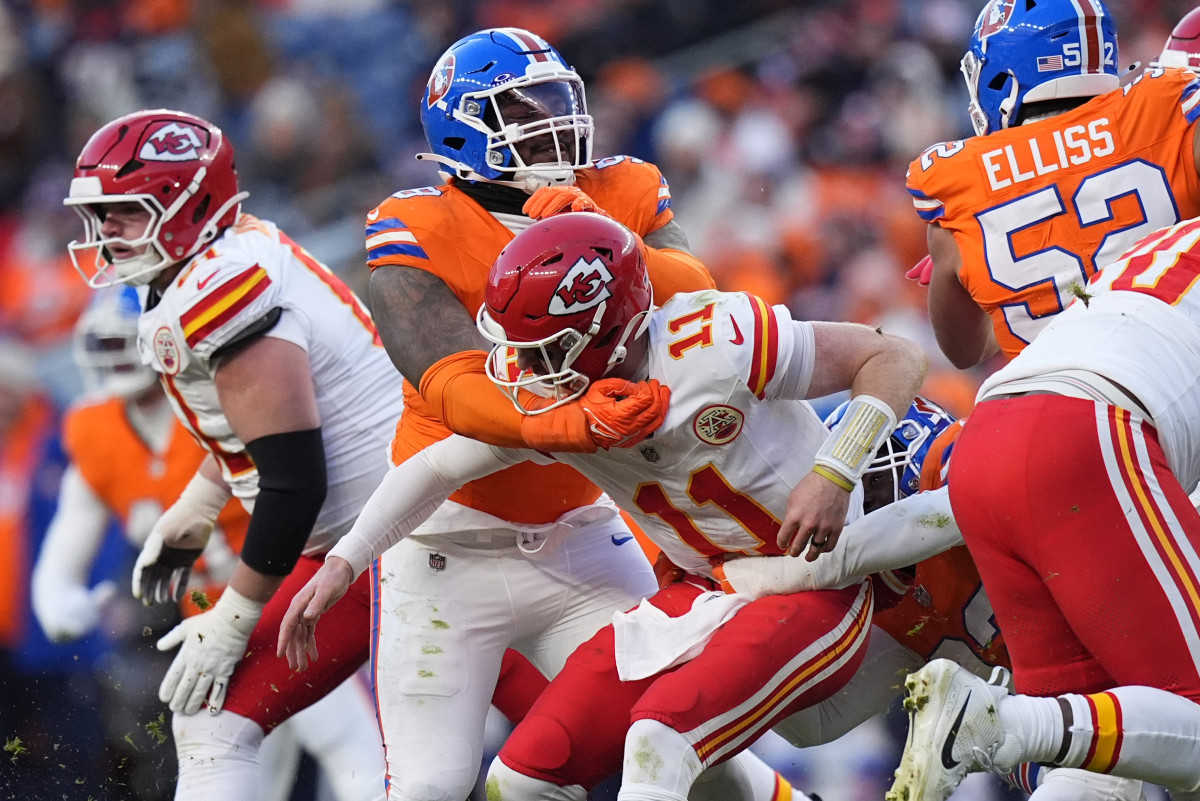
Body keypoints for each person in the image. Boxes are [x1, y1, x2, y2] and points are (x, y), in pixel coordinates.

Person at [279, 211, 929, 801]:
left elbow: (892, 354)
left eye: (538, 348)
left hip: (812, 583)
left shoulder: (719, 340)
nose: (518, 367)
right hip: (702, 593)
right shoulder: (556, 401)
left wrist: (834, 470)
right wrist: (344, 561)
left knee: (659, 742)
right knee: (523, 777)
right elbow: (439, 464)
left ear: (603, 331)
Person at [358, 26, 790, 801]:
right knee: (428, 786)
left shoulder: (620, 186)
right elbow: (450, 384)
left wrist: (612, 234)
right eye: (520, 108)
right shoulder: (418, 224)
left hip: (583, 539)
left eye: (557, 101)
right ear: (460, 128)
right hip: (444, 550)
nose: (551, 122)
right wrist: (546, 426)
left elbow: (700, 300)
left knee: (707, 753)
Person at [61, 107, 405, 801]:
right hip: (374, 538)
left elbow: (294, 481)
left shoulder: (221, 291)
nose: (105, 233)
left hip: (396, 544)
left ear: (191, 203)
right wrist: (199, 503)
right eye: (99, 214)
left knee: (427, 765)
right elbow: (273, 428)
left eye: (124, 211)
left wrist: (235, 616)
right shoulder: (223, 258)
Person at [882, 214, 1200, 801]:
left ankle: (1011, 728)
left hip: (989, 431)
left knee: (1094, 764)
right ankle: (999, 725)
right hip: (1090, 429)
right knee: (1189, 715)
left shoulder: (1157, 245)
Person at [29, 284, 385, 801]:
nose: (118, 356)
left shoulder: (212, 396)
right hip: (203, 626)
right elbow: (67, 541)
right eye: (106, 344)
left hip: (292, 600)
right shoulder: (93, 428)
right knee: (227, 764)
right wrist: (58, 597)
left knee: (350, 745)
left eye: (125, 342)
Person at [720, 399, 1147, 801]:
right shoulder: (882, 585)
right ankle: (1002, 745)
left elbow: (934, 517)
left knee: (1116, 774)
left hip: (1113, 646)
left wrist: (776, 576)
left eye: (866, 480)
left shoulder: (955, 462)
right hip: (1023, 676)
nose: (851, 502)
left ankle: (1005, 742)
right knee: (807, 719)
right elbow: (813, 721)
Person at [906, 0, 1200, 369]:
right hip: (1172, 375)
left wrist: (967, 265)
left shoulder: (960, 185)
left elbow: (963, 352)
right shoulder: (1167, 108)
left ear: (1003, 75)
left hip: (1040, 397)